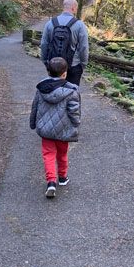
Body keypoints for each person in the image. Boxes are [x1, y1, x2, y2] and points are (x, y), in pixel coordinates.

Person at [29, 57, 81, 198]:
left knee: (48, 155)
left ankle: (51, 182)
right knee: (62, 154)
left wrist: (33, 123)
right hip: (63, 130)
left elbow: (35, 106)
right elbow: (73, 111)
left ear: (48, 71)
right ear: (65, 73)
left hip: (46, 131)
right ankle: (63, 178)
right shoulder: (71, 91)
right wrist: (76, 124)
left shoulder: (41, 88)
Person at [40, 0, 89, 87]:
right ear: (73, 8)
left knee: (53, 93)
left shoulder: (50, 23)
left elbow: (44, 44)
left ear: (64, 7)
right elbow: (84, 47)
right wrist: (83, 64)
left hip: (54, 66)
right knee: (72, 95)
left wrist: (45, 62)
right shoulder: (80, 25)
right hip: (73, 66)